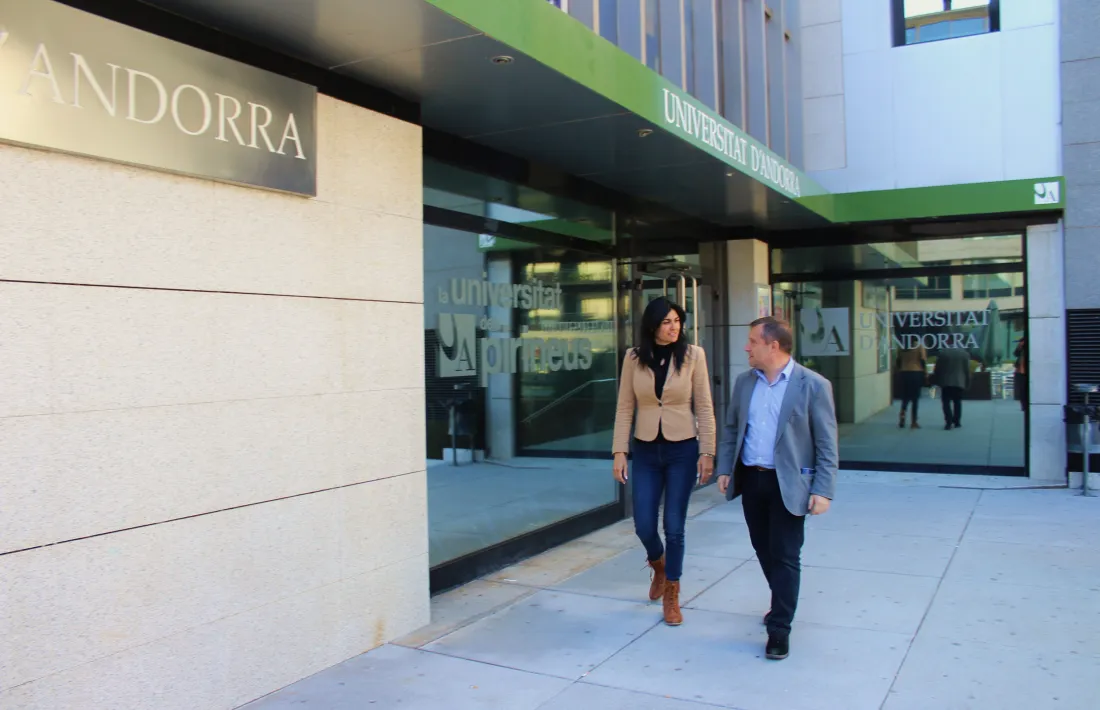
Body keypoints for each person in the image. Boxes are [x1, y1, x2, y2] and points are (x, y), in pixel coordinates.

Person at [716, 317, 838, 661]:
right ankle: (782, 601)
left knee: (785, 555)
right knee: (763, 549)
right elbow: (730, 428)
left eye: (752, 341)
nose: (746, 347)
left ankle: (779, 628)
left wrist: (823, 489)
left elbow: (827, 443)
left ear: (773, 346)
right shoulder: (744, 383)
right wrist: (726, 467)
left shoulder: (812, 385)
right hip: (752, 480)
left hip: (790, 483)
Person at [612, 297, 716, 626]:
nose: (674, 327)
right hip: (645, 450)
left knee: (674, 525)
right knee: (644, 522)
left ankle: (672, 592)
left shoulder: (693, 355)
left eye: (677, 321)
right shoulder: (633, 358)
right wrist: (619, 451)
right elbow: (625, 405)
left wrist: (707, 451)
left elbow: (704, 404)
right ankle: (658, 566)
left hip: (682, 449)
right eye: (667, 322)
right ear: (652, 326)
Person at [933, 347, 972, 430]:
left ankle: (948, 421)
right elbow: (967, 370)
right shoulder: (964, 354)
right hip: (959, 381)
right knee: (957, 402)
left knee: (946, 402)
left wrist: (936, 379)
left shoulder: (943, 354)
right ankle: (957, 421)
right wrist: (967, 383)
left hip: (946, 381)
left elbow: (938, 368)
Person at [895, 344, 927, 429]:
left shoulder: (901, 346)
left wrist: (900, 370)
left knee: (905, 396)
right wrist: (925, 373)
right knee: (915, 398)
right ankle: (914, 422)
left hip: (904, 372)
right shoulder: (919, 346)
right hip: (916, 372)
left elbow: (898, 360)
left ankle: (902, 414)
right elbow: (922, 360)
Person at [1014, 337, 1028, 412]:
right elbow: (1015, 354)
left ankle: (1026, 405)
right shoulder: (1020, 348)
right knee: (1021, 390)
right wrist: (1019, 346)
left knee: (1025, 390)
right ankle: (1023, 406)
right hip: (1020, 371)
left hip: (1025, 371)